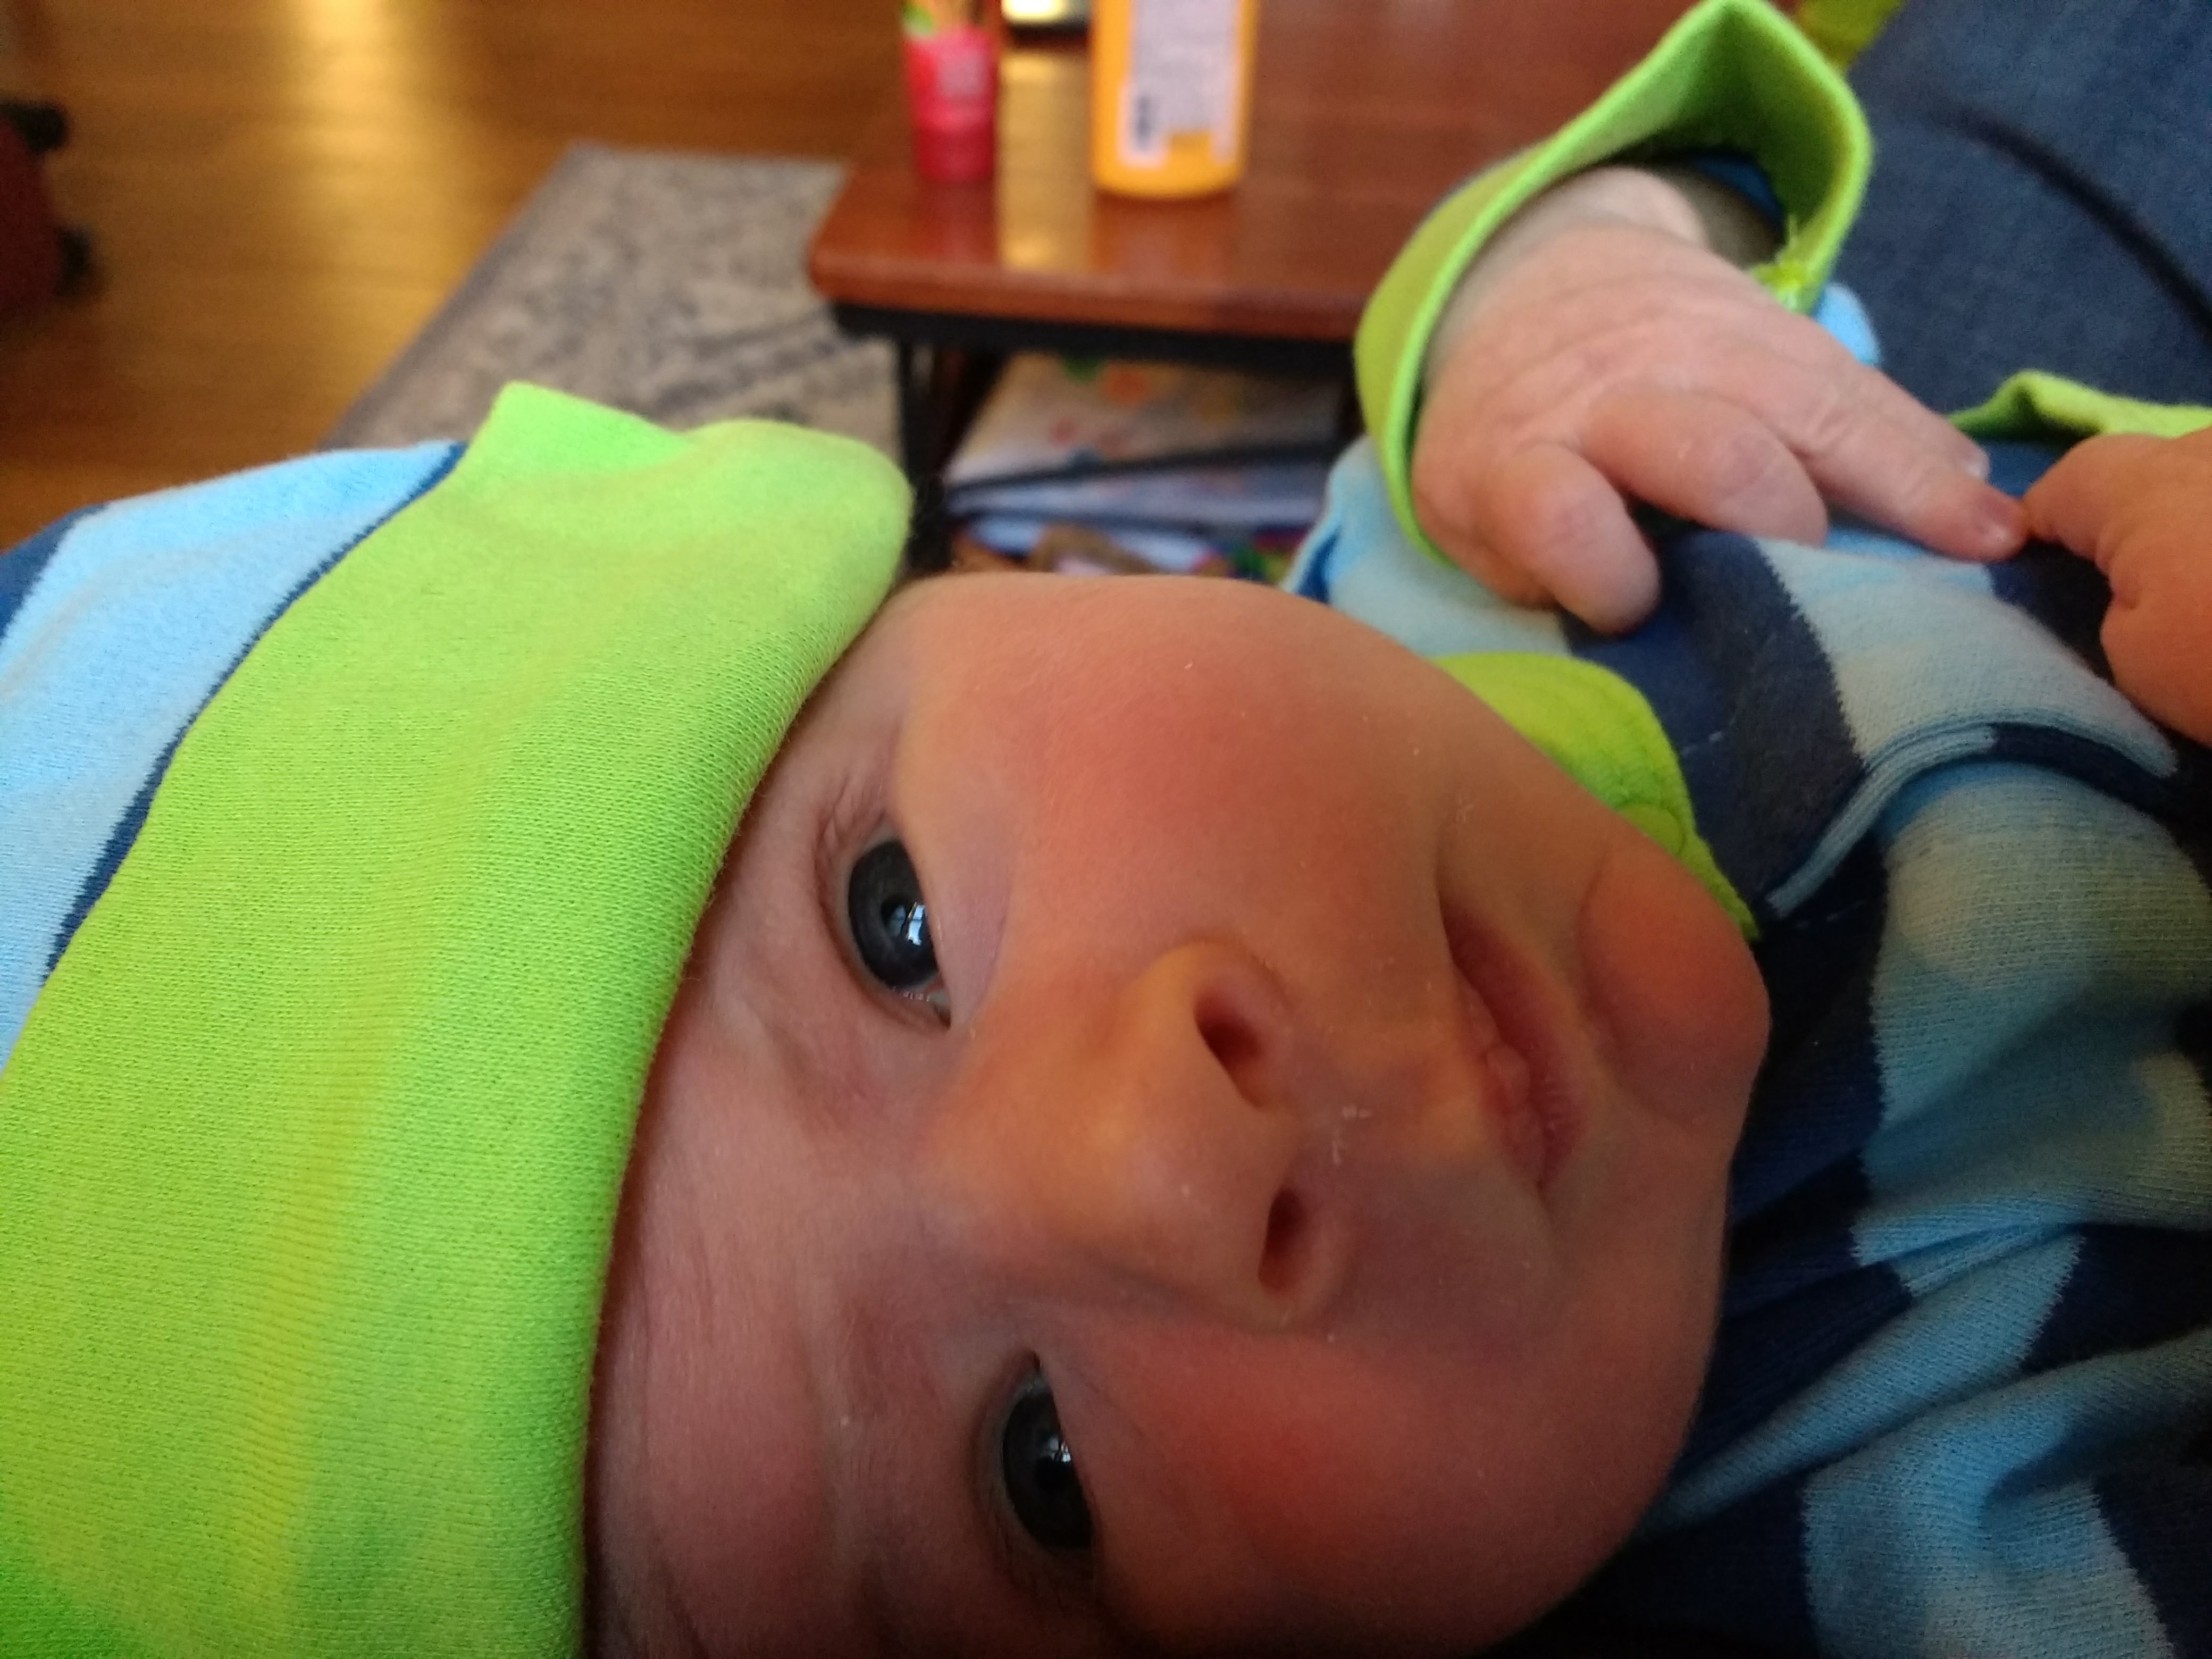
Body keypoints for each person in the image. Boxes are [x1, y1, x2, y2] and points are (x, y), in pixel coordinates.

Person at [0, 4, 2206, 1658]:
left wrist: (1583, 277)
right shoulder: (1919, 1546)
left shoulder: (1445, 582)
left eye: (893, 927)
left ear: (990, 579)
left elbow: (1668, 205)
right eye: (1035, 1478)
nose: (1162, 1158)